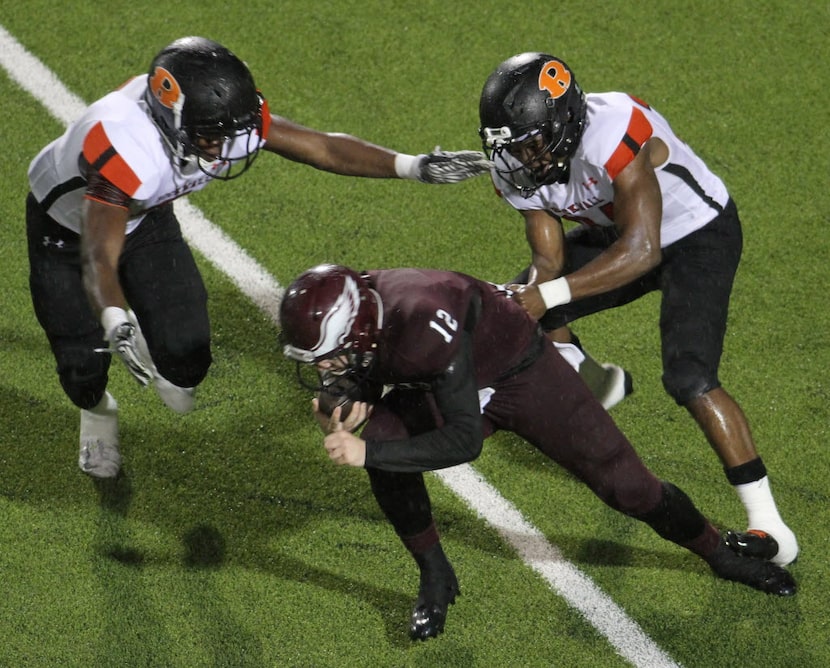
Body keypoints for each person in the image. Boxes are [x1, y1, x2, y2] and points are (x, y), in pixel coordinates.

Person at [26, 36, 492, 480]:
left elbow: (323, 145)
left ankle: (153, 337)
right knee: (82, 365)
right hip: (66, 234)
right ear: (173, 120)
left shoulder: (216, 120)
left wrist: (412, 166)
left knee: (188, 357)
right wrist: (113, 316)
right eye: (211, 136)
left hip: (146, 219)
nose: (225, 146)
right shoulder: (126, 142)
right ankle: (97, 411)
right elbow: (97, 258)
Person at [279, 263, 797, 641]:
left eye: (331, 358)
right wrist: (347, 401)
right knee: (388, 442)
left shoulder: (420, 318)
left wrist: (363, 453)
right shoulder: (366, 317)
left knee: (627, 485)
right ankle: (435, 574)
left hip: (517, 370)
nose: (327, 369)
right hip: (448, 375)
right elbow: (368, 369)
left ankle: (719, 553)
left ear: (358, 327)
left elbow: (462, 440)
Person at [476, 52, 798, 567]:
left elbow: (643, 251)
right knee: (520, 310)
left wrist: (547, 296)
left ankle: (772, 526)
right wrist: (530, 297)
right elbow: (547, 258)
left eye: (532, 142)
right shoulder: (517, 164)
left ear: (563, 122)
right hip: (620, 234)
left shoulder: (616, 129)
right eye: (514, 145)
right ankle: (589, 378)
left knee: (690, 377)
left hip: (696, 235)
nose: (525, 157)